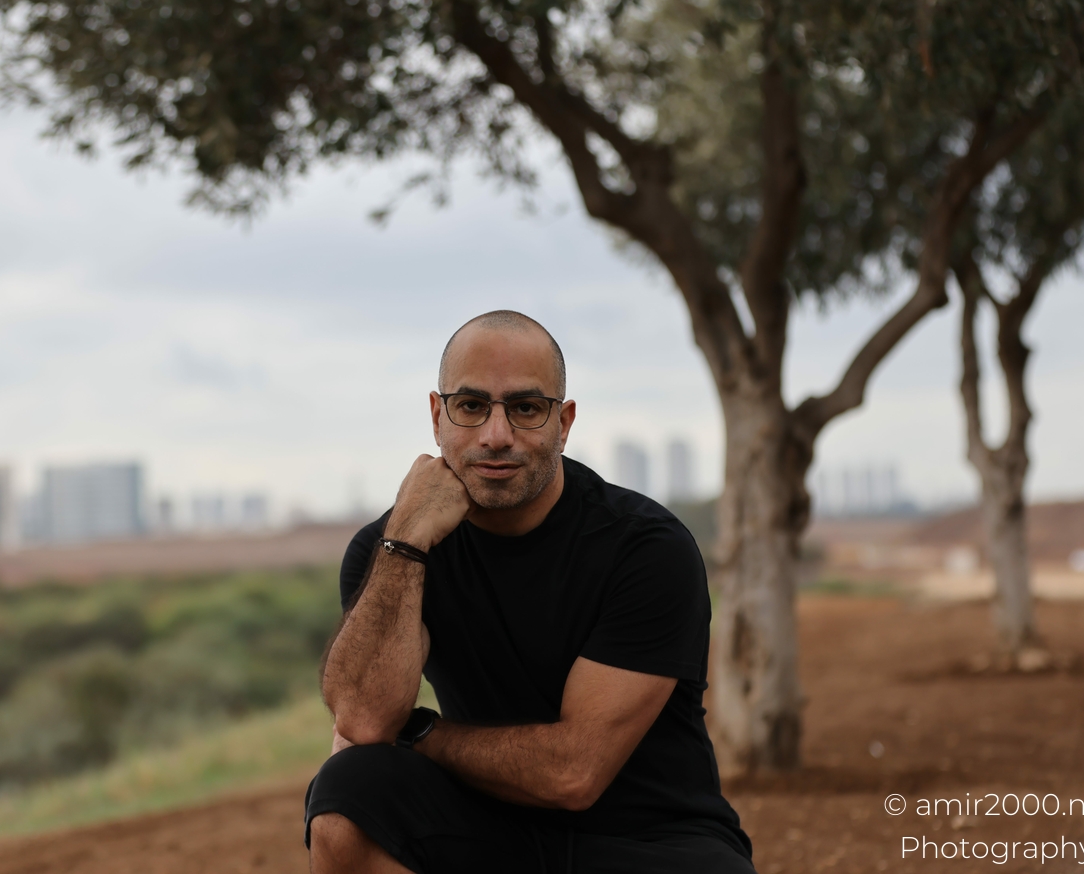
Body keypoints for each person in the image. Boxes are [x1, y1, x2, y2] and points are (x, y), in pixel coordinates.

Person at [305, 311, 754, 874]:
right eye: (470, 407)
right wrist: (405, 544)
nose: (497, 436)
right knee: (348, 791)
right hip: (489, 830)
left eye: (525, 408)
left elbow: (574, 774)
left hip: (652, 843)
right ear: (436, 416)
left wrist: (420, 732)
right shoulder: (392, 553)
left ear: (563, 423)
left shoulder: (645, 548)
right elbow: (364, 725)